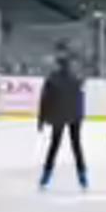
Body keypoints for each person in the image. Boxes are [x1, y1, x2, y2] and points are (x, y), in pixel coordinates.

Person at [37, 53, 88, 191]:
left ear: (58, 65)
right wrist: (80, 116)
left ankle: (46, 176)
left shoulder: (52, 79)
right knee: (76, 145)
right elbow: (80, 98)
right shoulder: (76, 79)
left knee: (54, 145)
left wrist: (41, 119)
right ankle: (83, 176)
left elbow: (44, 100)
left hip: (59, 116)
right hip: (74, 116)